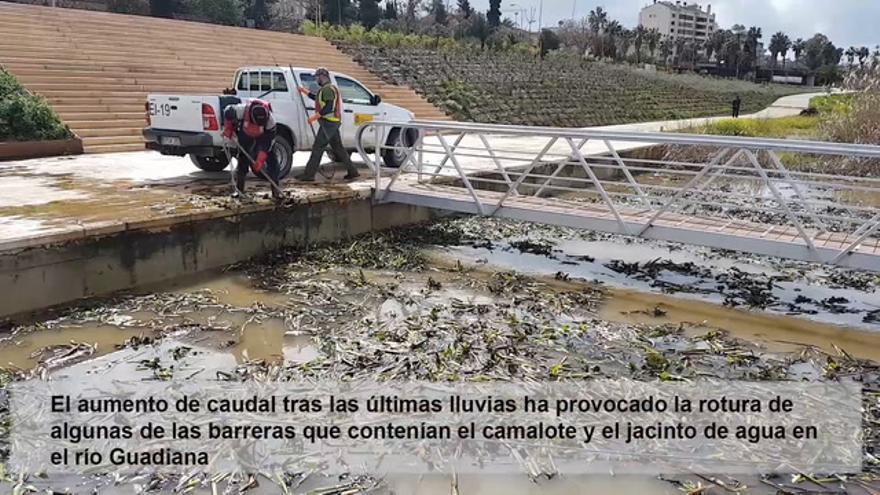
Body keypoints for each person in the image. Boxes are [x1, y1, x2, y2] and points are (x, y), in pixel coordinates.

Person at [296, 67, 360, 182]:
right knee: (338, 148)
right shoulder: (328, 89)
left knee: (318, 148)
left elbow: (328, 107)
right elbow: (317, 98)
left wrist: (314, 117)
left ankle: (309, 175)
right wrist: (304, 91)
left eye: (317, 77)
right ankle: (353, 172)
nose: (316, 80)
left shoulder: (327, 90)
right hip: (333, 122)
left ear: (322, 77)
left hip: (328, 123)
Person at [221, 98, 283, 201]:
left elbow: (267, 143)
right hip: (245, 134)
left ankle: (276, 192)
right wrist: (228, 128)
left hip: (263, 137)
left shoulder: (271, 122)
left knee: (273, 162)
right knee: (243, 160)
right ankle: (239, 190)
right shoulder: (241, 110)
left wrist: (260, 160)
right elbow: (227, 111)